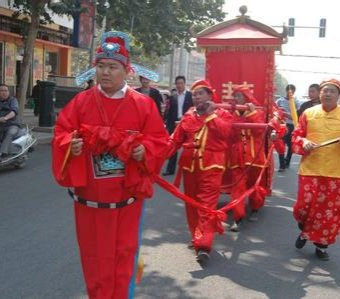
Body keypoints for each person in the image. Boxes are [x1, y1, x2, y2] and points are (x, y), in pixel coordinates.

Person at [51, 31, 168, 299]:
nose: (105, 73)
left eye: (113, 67)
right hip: (89, 201)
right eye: (101, 66)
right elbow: (62, 132)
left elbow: (160, 141)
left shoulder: (143, 105)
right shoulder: (81, 102)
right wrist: (71, 144)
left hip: (127, 199)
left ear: (126, 71)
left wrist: (144, 150)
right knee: (93, 259)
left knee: (124, 256)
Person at [292, 79, 340, 260]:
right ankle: (304, 229)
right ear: (320, 93)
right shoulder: (308, 113)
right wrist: (304, 141)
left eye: (332, 91)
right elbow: (296, 135)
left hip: (336, 172)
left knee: (330, 212)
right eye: (325, 91)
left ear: (338, 95)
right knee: (304, 207)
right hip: (311, 169)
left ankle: (321, 245)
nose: (328, 94)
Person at [167, 79, 232, 264]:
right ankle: (197, 236)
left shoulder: (223, 114)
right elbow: (175, 140)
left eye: (200, 94)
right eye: (194, 95)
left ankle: (203, 245)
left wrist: (211, 115)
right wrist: (154, 157)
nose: (196, 98)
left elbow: (225, 133)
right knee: (192, 205)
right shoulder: (188, 115)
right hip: (190, 167)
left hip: (212, 168)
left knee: (206, 206)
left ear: (210, 96)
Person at [228, 86, 275, 232]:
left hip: (255, 155)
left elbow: (260, 130)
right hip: (238, 156)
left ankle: (255, 208)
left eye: (240, 96)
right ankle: (238, 217)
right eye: (235, 96)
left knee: (255, 186)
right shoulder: (231, 113)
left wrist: (252, 112)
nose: (237, 99)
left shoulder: (257, 111)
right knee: (238, 187)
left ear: (246, 97)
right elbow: (229, 132)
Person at [163, 76, 193, 176]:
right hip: (175, 124)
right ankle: (170, 169)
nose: (179, 85)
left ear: (184, 84)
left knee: (189, 147)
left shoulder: (190, 96)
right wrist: (168, 126)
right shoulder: (173, 97)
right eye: (178, 84)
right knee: (173, 146)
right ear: (176, 85)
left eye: (181, 83)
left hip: (188, 124)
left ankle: (189, 168)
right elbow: (170, 112)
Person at [276, 84, 301, 169]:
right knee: (281, 144)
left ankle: (287, 161)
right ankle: (282, 164)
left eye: (292, 92)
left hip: (292, 125)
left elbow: (296, 116)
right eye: (289, 91)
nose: (290, 93)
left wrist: (284, 114)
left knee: (291, 145)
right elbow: (275, 112)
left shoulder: (296, 102)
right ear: (286, 91)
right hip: (282, 125)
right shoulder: (280, 101)